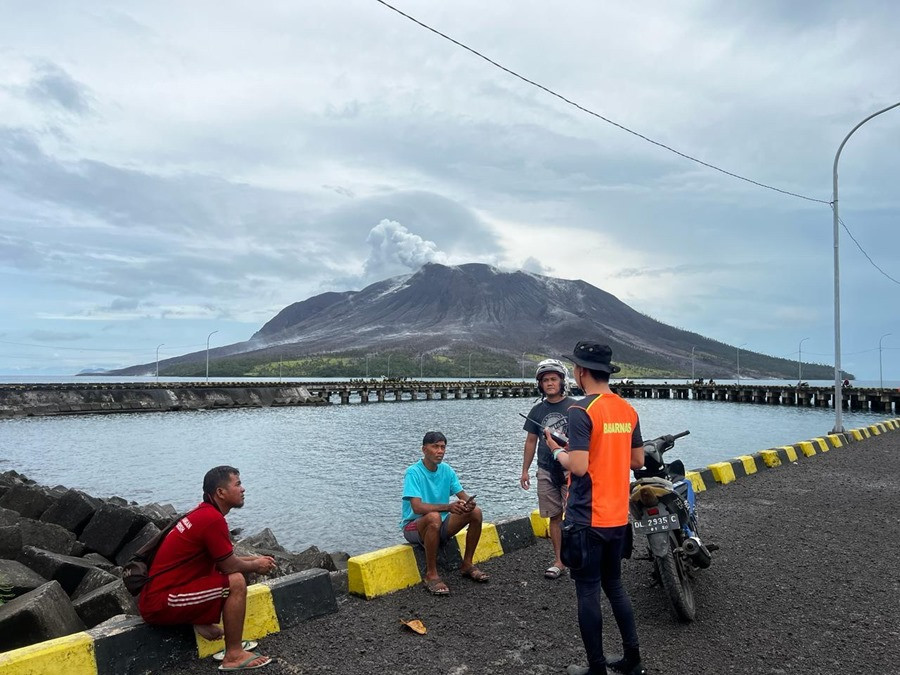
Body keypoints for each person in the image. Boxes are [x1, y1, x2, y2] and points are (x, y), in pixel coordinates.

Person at [545, 342, 647, 675]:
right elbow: (637, 460)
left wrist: (557, 450)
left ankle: (597, 667)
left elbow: (577, 466)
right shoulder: (627, 410)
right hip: (618, 517)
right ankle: (632, 660)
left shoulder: (580, 410)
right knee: (615, 587)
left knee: (587, 590)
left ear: (581, 371)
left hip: (587, 517)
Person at [138, 466, 277, 671]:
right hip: (161, 601)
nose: (243, 489)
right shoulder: (212, 519)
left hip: (164, 593)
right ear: (220, 493)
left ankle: (210, 627)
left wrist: (255, 559)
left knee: (225, 572)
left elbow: (223, 559)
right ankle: (234, 655)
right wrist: (256, 565)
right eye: (238, 484)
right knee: (236, 581)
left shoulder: (202, 512)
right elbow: (230, 565)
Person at [400, 431, 489, 595]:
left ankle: (467, 564)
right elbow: (417, 508)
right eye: (435, 447)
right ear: (424, 449)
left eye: (443, 447)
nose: (440, 451)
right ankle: (431, 574)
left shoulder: (446, 470)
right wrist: (448, 507)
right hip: (414, 526)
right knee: (433, 517)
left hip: (439, 523)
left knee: (476, 512)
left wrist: (469, 503)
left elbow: (462, 495)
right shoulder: (413, 472)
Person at [520, 358, 577, 579]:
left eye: (554, 379)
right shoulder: (536, 410)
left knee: (576, 515)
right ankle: (559, 560)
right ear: (540, 384)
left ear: (562, 382)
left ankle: (580, 556)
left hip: (570, 468)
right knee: (554, 516)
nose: (550, 383)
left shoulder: (575, 406)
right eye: (545, 380)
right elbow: (530, 442)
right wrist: (525, 470)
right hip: (545, 470)